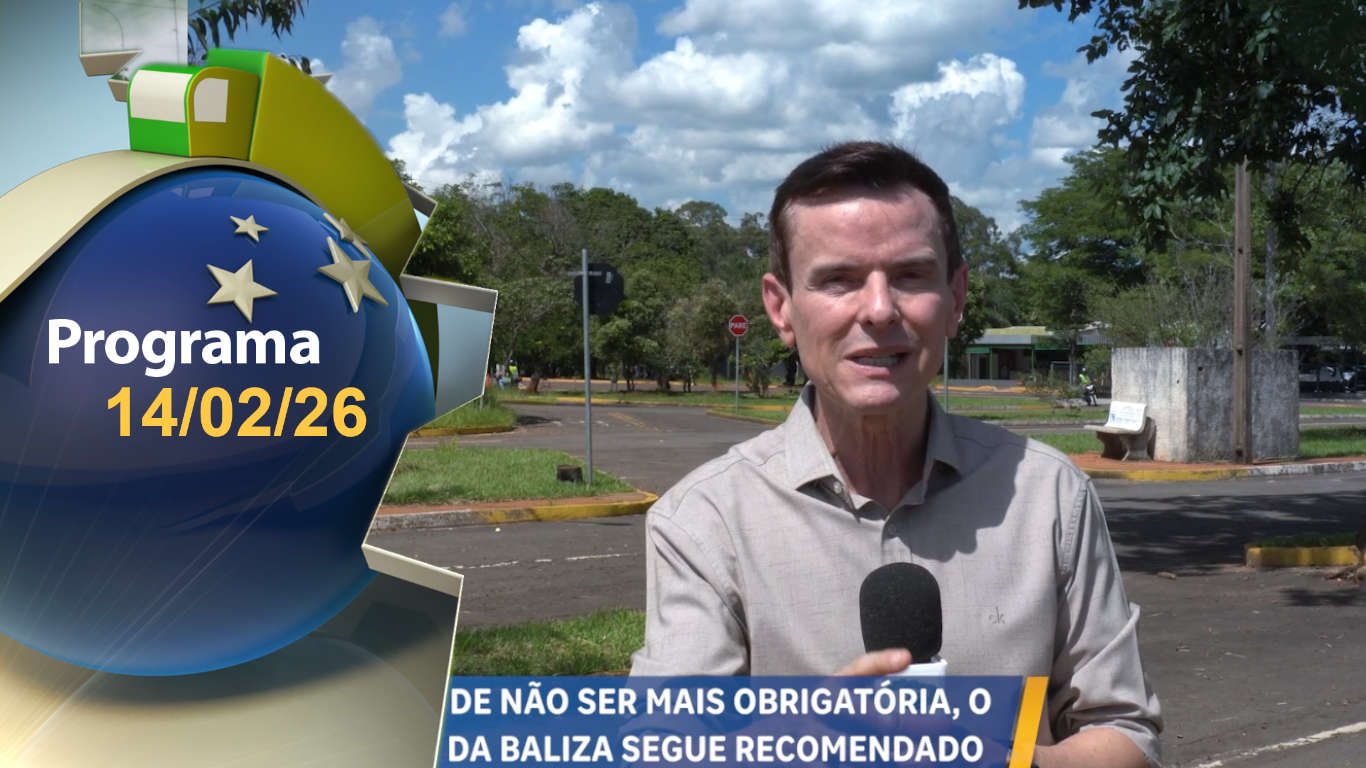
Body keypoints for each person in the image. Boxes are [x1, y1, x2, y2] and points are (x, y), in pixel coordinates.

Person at [630, 142, 1161, 767]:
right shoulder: (704, 522)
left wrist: (1002, 760)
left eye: (910, 275)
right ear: (782, 308)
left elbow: (1125, 735)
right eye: (838, 279)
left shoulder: (1049, 495)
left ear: (955, 297)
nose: (879, 310)